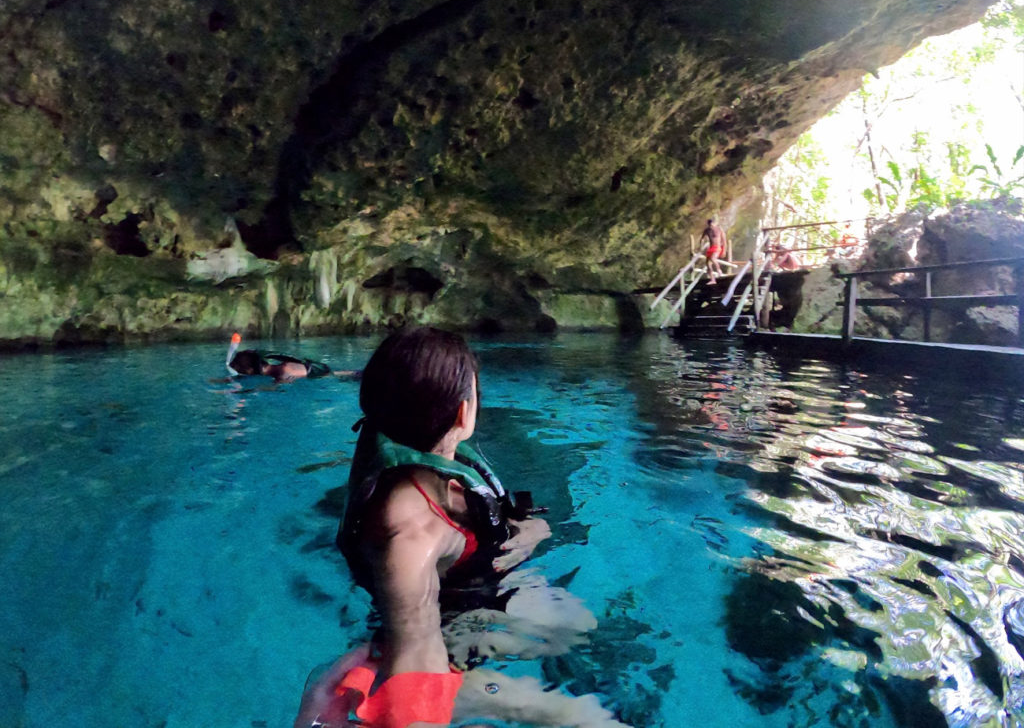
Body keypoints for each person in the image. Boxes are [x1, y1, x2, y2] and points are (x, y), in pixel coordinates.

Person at [294, 327, 627, 728]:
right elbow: (414, 647)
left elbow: (498, 517)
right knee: (590, 719)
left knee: (576, 626)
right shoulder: (410, 530)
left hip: (473, 597)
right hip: (440, 638)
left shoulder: (439, 472)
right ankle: (466, 693)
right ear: (464, 413)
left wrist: (531, 532)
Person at [225, 332, 357, 381]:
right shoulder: (279, 366)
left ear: (250, 371)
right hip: (323, 371)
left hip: (327, 377)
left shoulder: (283, 373)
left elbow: (268, 389)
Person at [700, 218, 726, 285]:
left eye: (712, 224)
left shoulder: (719, 229)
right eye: (709, 224)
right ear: (708, 224)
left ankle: (719, 270)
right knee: (708, 264)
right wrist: (701, 245)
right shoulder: (707, 230)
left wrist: (724, 250)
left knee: (713, 258)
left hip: (717, 247)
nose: (711, 225)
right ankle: (712, 279)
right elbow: (702, 238)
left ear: (714, 223)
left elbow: (724, 240)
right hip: (711, 248)